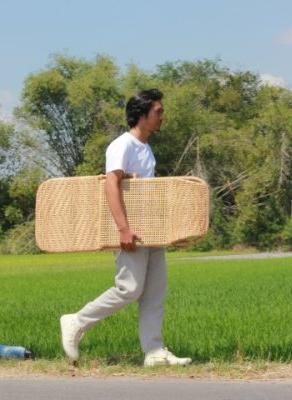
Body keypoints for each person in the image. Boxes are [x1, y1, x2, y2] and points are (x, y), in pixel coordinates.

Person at [60, 89, 192, 367]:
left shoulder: (146, 148)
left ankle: (154, 352)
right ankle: (77, 321)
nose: (162, 116)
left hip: (150, 231)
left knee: (155, 292)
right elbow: (111, 185)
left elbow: (141, 191)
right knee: (129, 288)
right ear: (141, 115)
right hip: (130, 231)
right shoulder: (123, 145)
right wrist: (123, 229)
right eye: (158, 111)